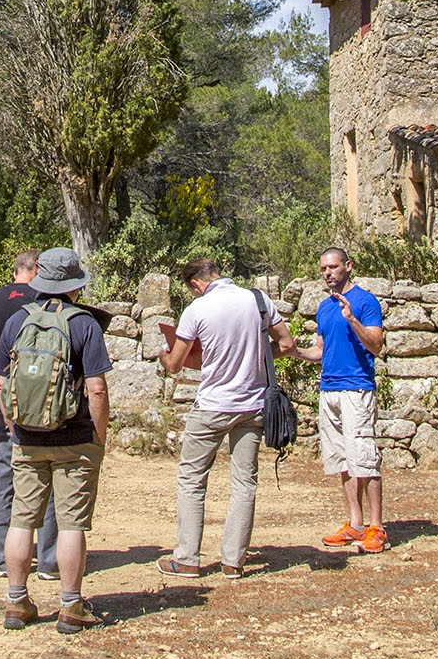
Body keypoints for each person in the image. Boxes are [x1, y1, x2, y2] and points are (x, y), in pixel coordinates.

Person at [0, 247, 111, 633]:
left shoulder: (17, 320)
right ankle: (71, 606)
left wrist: (14, 425)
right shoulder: (85, 324)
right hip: (75, 438)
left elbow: (1, 382)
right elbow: (97, 390)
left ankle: (16, 602)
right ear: (75, 286)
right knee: (71, 524)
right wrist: (99, 437)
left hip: (27, 438)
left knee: (22, 519)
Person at [155, 257, 294, 579]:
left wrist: (163, 354)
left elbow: (175, 364)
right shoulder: (257, 300)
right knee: (245, 483)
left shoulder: (198, 309)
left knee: (192, 479)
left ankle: (187, 559)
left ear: (196, 284)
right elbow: (286, 344)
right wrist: (259, 355)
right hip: (252, 405)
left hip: (213, 405)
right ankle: (233, 561)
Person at [294, 246, 387, 552]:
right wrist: (294, 351)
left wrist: (352, 319)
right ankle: (355, 524)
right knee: (343, 460)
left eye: (332, 267)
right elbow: (320, 351)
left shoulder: (365, 301)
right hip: (329, 390)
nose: (328, 273)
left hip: (356, 388)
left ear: (348, 266)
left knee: (364, 458)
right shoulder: (324, 307)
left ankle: (377, 527)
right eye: (323, 269)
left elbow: (376, 346)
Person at [0, 248, 58, 580]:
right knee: (49, 472)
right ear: (37, 269)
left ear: (15, 270)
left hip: (6, 395)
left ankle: (4, 558)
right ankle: (49, 560)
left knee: (5, 474)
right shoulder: (48, 301)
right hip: (45, 398)